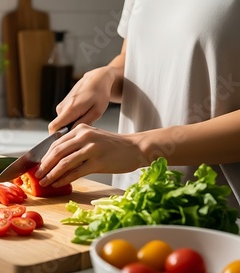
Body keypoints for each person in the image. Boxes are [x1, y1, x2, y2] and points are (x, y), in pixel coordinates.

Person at [34, 0, 240, 210]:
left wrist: (138, 147)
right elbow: (132, 59)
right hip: (134, 200)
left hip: (219, 212)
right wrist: (108, 76)